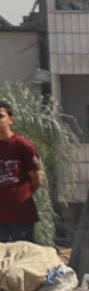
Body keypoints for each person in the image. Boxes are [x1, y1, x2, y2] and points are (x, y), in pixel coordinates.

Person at [0, 103, 41, 246]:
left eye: (1, 116)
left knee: (24, 254)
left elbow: (36, 180)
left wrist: (20, 195)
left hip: (21, 215)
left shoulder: (23, 146)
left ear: (11, 119)